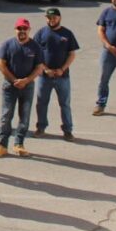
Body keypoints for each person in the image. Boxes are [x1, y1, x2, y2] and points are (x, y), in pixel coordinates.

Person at [0, 17, 44, 158]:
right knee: (6, 116)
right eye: (19, 29)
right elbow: (1, 64)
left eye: (25, 29)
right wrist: (14, 80)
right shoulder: (7, 45)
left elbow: (39, 67)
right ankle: (2, 145)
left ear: (29, 30)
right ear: (15, 29)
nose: (22, 31)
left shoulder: (36, 47)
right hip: (10, 86)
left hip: (27, 87)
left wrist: (26, 80)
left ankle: (19, 144)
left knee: (25, 116)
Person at [33, 8, 79, 141]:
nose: (51, 20)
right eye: (48, 18)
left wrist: (62, 69)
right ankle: (41, 127)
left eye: (53, 18)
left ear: (59, 18)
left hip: (62, 76)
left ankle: (67, 130)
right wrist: (45, 69)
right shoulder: (41, 33)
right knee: (41, 102)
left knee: (64, 104)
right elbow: (36, 54)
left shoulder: (67, 33)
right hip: (44, 76)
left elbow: (72, 54)